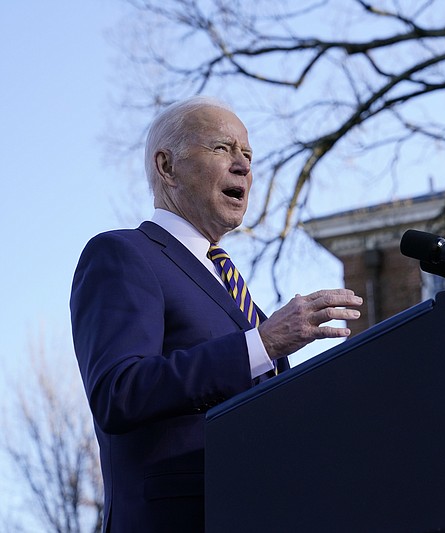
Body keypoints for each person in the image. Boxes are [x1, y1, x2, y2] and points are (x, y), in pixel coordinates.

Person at [70, 96, 363, 532]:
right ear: (167, 167)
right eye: (222, 149)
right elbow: (119, 391)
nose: (243, 166)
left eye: (247, 154)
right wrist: (262, 343)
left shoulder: (238, 294)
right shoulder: (123, 254)